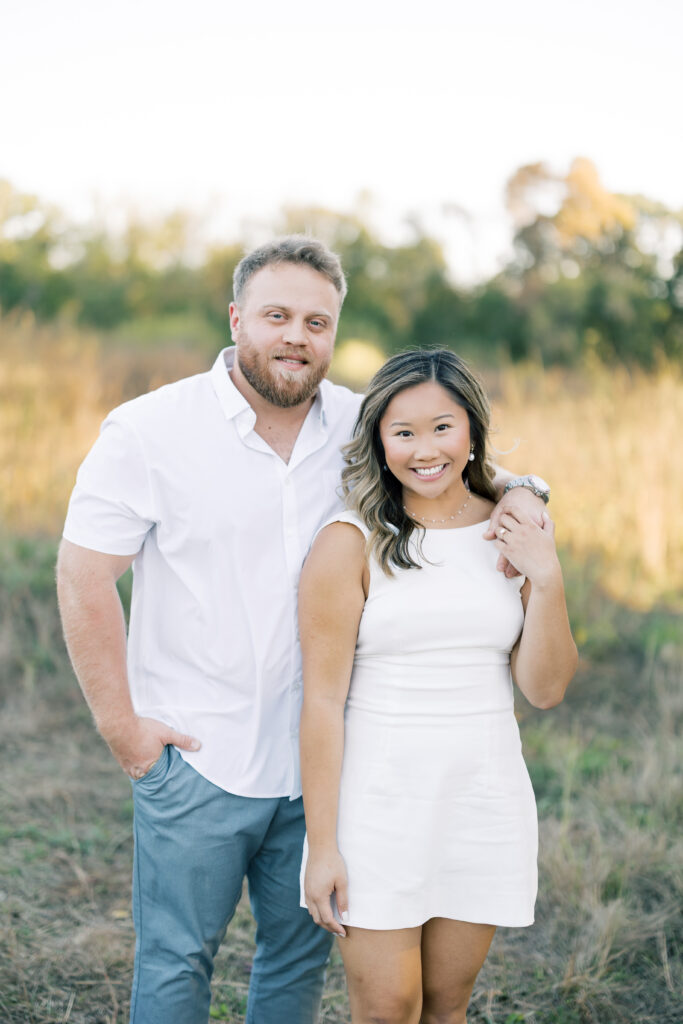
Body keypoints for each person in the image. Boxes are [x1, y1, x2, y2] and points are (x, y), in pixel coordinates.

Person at [56, 235, 550, 1024]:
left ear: (334, 331)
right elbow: (83, 576)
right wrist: (125, 732)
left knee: (294, 966)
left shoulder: (361, 424)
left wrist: (527, 491)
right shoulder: (149, 430)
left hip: (329, 769)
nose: (296, 336)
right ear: (236, 318)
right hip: (198, 758)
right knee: (178, 960)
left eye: (316, 322)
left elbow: (453, 462)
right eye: (276, 315)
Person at [299, 349, 578, 1024]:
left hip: (481, 793)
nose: (425, 450)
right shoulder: (348, 541)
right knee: (388, 1006)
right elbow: (321, 703)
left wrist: (546, 577)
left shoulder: (511, 530)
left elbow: (543, 690)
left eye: (442, 427)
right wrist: (323, 845)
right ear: (378, 442)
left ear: (472, 432)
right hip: (379, 801)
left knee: (447, 1004)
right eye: (403, 432)